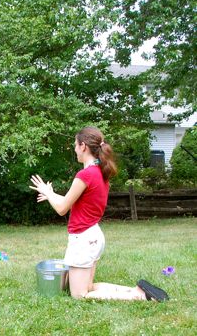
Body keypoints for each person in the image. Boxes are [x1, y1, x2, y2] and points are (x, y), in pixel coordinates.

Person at [30, 126, 169, 301]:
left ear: (83, 146)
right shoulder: (99, 173)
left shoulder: (85, 175)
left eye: (75, 145)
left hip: (83, 239)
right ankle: (135, 290)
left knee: (79, 295)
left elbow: (61, 208)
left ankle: (139, 296)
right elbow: (74, 202)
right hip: (93, 236)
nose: (74, 149)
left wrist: (48, 193)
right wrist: (51, 194)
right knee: (88, 287)